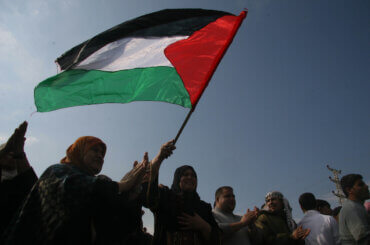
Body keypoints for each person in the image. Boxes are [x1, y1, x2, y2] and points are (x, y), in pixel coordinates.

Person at [2, 136, 174, 244]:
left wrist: (139, 179)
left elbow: (118, 203)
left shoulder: (99, 183)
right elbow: (95, 188)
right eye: (95, 150)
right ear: (78, 151)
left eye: (102, 153)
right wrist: (124, 185)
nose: (100, 155)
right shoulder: (58, 172)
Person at [144, 160, 220, 245]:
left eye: (193, 175)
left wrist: (203, 226)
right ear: (177, 178)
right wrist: (158, 160)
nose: (190, 177)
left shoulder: (204, 207)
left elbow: (218, 239)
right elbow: (150, 199)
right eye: (185, 174)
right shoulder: (166, 196)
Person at [0, 121, 38, 236]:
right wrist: (7, 147)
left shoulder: (21, 182)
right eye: (7, 153)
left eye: (14, 154)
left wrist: (19, 151)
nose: (11, 157)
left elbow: (35, 192)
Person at [339, 174, 370, 245]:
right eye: (360, 185)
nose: (366, 186)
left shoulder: (357, 206)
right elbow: (364, 240)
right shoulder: (352, 208)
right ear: (349, 190)